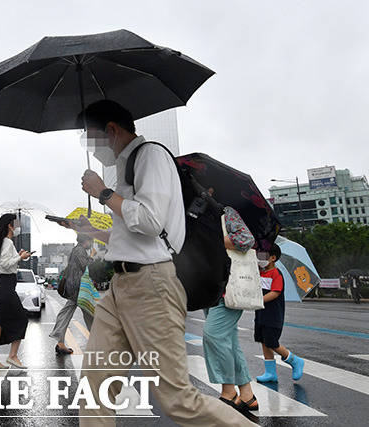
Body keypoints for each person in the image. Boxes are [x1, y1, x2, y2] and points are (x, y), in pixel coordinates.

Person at [66, 100, 255, 426]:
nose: (90, 147)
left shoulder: (150, 156)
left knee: (178, 400)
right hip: (120, 286)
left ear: (111, 130)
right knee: (94, 386)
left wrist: (103, 193)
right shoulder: (127, 167)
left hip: (151, 284)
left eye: (90, 138)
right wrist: (95, 229)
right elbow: (133, 234)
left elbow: (151, 222)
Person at [202, 206, 257, 412]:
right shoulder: (194, 216)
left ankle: (228, 391)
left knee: (213, 335)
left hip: (231, 288)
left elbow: (245, 240)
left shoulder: (226, 213)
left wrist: (210, 240)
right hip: (210, 289)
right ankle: (247, 395)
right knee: (230, 343)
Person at [255, 244, 305, 382]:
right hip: (260, 313)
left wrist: (258, 300)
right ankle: (270, 373)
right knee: (263, 341)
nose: (259, 258)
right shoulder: (260, 272)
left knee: (272, 342)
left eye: (263, 256)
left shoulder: (276, 274)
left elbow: (275, 293)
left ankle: (294, 360)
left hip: (273, 315)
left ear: (273, 258)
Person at [0, 213, 31, 369]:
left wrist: (19, 256)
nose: (17, 227)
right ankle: (12, 356)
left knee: (0, 322)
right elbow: (5, 265)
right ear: (9, 226)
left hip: (5, 286)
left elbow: (6, 263)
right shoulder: (7, 242)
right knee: (22, 319)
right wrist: (20, 258)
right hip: (6, 287)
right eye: (15, 224)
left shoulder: (5, 243)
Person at [49, 233, 95, 355]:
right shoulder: (79, 250)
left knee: (77, 312)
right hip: (78, 287)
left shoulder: (77, 249)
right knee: (89, 312)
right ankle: (96, 342)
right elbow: (85, 265)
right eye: (91, 240)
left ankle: (60, 342)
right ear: (87, 240)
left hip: (76, 286)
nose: (92, 243)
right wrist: (91, 256)